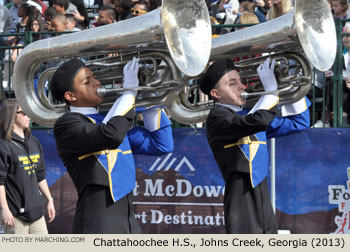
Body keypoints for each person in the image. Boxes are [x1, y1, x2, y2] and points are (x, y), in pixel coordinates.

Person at [50, 57, 174, 233]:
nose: (96, 83)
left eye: (94, 77)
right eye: (87, 81)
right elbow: (111, 135)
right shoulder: (67, 124)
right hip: (98, 220)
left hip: (129, 217)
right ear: (71, 96)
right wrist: (129, 93)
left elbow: (162, 144)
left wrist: (147, 92)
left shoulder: (109, 119)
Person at [199, 58, 310, 233]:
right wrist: (271, 91)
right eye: (232, 83)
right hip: (240, 194)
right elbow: (259, 120)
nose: (242, 86)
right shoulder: (217, 117)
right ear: (216, 94)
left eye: (240, 81)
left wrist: (289, 82)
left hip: (261, 190)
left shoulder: (248, 116)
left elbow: (300, 122)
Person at [0, 99, 56, 234]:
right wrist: (5, 209)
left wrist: (50, 199)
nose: (29, 116)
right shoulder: (3, 145)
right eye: (24, 113)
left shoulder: (33, 141)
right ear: (12, 116)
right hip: (15, 215)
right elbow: (0, 181)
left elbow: (40, 175)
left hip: (37, 213)